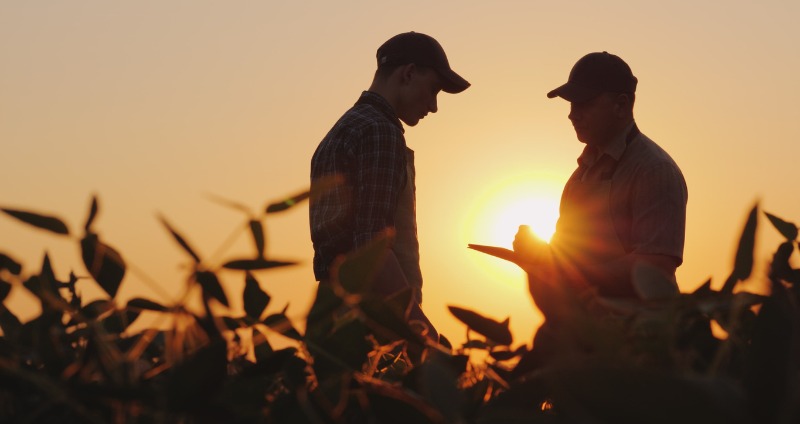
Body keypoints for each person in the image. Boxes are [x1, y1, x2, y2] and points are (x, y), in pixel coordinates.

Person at [309, 32, 470, 341]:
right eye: (433, 90)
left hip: (332, 316)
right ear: (408, 73)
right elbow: (372, 248)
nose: (434, 106)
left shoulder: (342, 130)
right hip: (372, 324)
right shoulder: (380, 131)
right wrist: (421, 332)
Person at [514, 51, 688, 322]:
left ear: (621, 105)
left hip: (644, 338)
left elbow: (656, 266)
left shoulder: (654, 170)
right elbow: (567, 252)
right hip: (586, 331)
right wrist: (537, 253)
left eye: (584, 104)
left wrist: (566, 272)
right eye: (571, 105)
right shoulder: (579, 176)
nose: (572, 115)